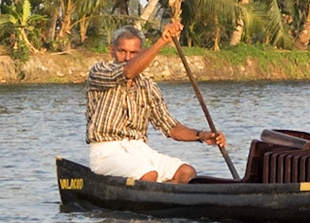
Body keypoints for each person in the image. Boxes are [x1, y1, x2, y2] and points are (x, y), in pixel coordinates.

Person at [85, 21, 225, 183]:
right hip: (106, 151)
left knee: (186, 173)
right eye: (122, 51)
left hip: (139, 149)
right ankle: (148, 198)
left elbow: (171, 127)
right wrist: (162, 41)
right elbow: (128, 72)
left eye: (134, 53)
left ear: (141, 53)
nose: (127, 57)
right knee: (149, 174)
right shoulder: (99, 71)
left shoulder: (147, 86)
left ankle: (164, 200)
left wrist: (202, 135)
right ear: (112, 50)